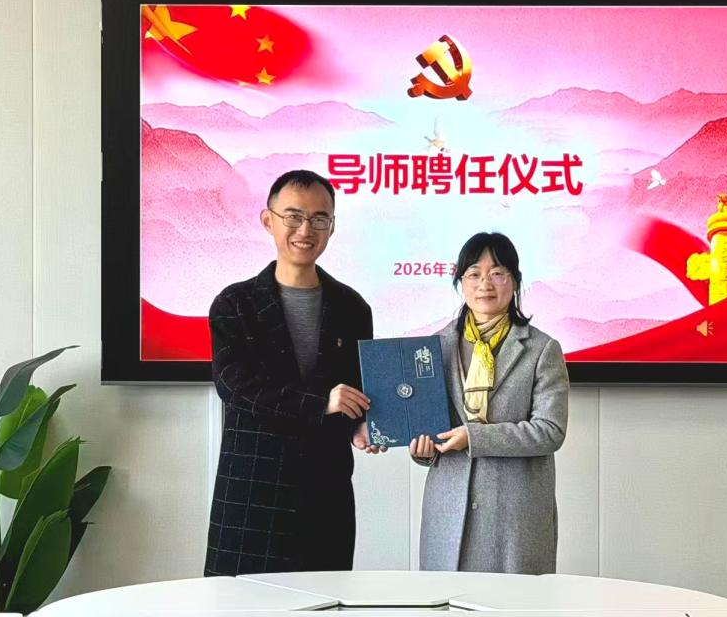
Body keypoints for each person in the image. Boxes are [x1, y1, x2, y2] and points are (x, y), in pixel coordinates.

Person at [205, 170, 375, 576]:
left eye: (319, 218)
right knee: (242, 610)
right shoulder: (235, 303)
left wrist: (366, 424)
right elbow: (234, 386)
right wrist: (321, 404)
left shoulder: (353, 308)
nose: (305, 230)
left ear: (332, 227)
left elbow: (359, 389)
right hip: (253, 493)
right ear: (268, 220)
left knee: (327, 608)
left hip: (326, 493)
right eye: (293, 216)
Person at [411, 232, 569, 573]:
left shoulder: (542, 349)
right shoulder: (433, 348)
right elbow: (430, 426)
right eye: (474, 274)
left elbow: (550, 431)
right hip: (448, 512)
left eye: (497, 273)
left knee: (513, 604)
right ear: (460, 282)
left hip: (514, 515)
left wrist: (474, 437)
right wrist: (423, 450)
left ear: (515, 281)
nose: (485, 284)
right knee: (444, 603)